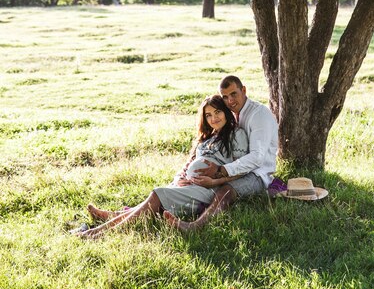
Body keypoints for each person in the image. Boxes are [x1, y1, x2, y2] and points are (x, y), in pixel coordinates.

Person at [75, 94, 248, 239]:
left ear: (226, 112)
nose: (213, 118)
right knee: (155, 199)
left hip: (207, 190)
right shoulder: (209, 137)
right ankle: (113, 217)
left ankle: (102, 232)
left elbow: (240, 168)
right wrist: (182, 177)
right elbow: (190, 164)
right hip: (190, 185)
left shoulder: (237, 134)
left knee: (157, 194)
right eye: (208, 115)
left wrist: (213, 179)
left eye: (217, 112)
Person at [164, 74, 278, 232]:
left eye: (234, 94)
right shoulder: (234, 114)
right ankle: (145, 207)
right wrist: (183, 176)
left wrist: (220, 171)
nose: (230, 101)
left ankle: (195, 226)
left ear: (243, 90)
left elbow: (257, 158)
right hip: (236, 169)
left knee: (227, 190)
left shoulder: (258, 115)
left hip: (256, 174)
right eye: (225, 97)